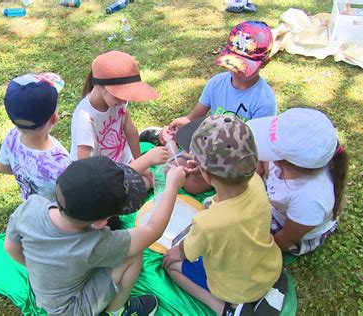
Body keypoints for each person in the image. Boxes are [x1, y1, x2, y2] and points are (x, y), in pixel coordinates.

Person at [5, 156, 186, 316]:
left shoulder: (30, 207)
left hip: (45, 295)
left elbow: (10, 248)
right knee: (133, 254)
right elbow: (152, 231)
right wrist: (171, 186)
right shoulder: (95, 244)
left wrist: (41, 270)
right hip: (75, 309)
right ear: (101, 222)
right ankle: (117, 310)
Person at [162, 115, 283, 315]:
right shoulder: (256, 181)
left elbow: (187, 252)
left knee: (171, 266)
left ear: (206, 175)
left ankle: (223, 309)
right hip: (269, 269)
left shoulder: (206, 223)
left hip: (234, 289)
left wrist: (177, 252)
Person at [140, 20, 277, 195]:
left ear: (265, 62)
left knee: (191, 185)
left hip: (236, 157)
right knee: (176, 168)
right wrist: (178, 127)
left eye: (244, 67)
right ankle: (162, 152)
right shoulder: (216, 83)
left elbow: (255, 152)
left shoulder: (264, 101)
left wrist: (209, 165)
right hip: (208, 145)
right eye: (233, 63)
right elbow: (194, 118)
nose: (236, 71)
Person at [247, 108, 349, 255]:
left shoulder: (310, 200)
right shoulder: (292, 162)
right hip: (278, 208)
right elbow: (261, 161)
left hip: (290, 230)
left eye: (271, 149)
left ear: (285, 162)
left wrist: (260, 251)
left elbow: (285, 240)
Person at [70, 50, 159, 164]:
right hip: (100, 173)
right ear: (102, 86)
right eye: (120, 94)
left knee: (145, 179)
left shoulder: (117, 102)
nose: (124, 100)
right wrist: (141, 165)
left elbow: (131, 132)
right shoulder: (85, 119)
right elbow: (83, 167)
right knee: (143, 181)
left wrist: (139, 161)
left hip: (121, 162)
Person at [0, 73, 72, 201]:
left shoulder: (12, 136)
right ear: (54, 119)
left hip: (29, 205)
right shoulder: (60, 164)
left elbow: (1, 167)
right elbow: (72, 199)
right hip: (52, 217)